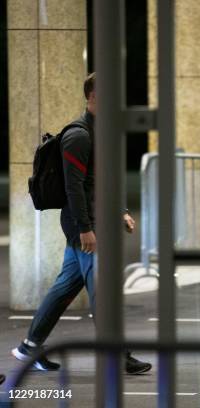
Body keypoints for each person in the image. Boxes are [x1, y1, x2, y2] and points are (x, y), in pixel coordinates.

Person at [11, 73, 152, 374]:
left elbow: (103, 179)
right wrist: (84, 228)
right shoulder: (79, 135)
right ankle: (118, 354)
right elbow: (74, 187)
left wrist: (121, 210)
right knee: (103, 292)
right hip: (84, 225)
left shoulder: (102, 130)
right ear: (93, 97)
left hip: (94, 220)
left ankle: (29, 347)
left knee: (64, 288)